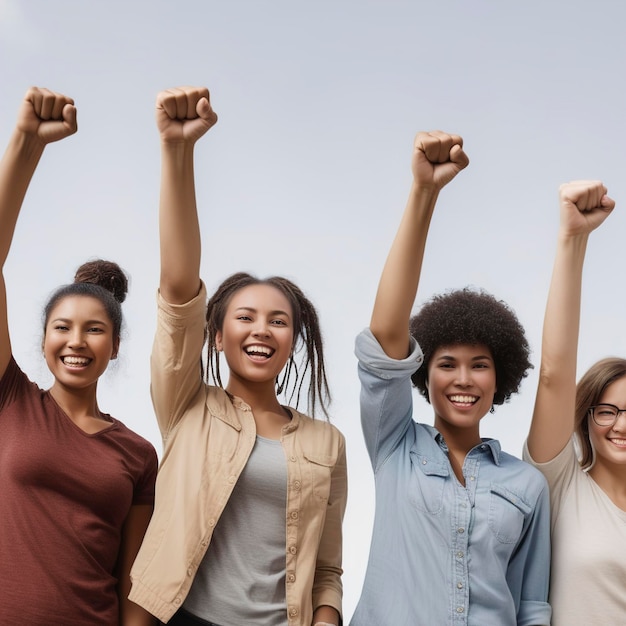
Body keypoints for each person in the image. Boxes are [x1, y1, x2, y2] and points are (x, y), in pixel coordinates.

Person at [129, 86, 347, 626]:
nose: (262, 330)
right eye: (244, 317)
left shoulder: (326, 443)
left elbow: (327, 571)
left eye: (279, 321)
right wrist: (178, 153)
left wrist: (326, 621)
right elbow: (178, 289)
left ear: (293, 340)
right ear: (217, 337)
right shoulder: (187, 403)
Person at [350, 131, 551, 625]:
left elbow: (530, 605)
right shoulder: (395, 444)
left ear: (499, 376)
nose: (464, 379)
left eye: (479, 364)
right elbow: (384, 338)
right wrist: (424, 194)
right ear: (424, 372)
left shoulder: (527, 485)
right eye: (447, 364)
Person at [0, 87, 158, 625]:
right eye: (62, 327)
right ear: (43, 338)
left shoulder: (136, 454)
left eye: (94, 330)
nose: (75, 341)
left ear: (113, 347)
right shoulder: (11, 399)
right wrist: (25, 145)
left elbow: (132, 580)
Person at [524, 180, 621, 624]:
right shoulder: (561, 485)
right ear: (585, 418)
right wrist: (573, 240)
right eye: (608, 410)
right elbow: (554, 373)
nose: (621, 425)